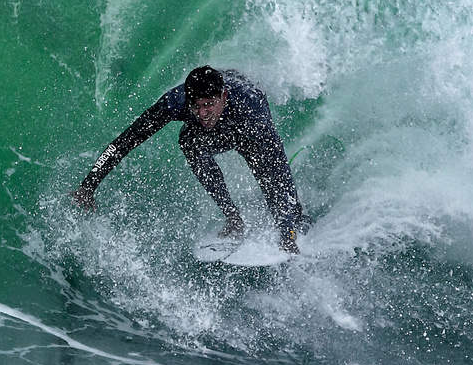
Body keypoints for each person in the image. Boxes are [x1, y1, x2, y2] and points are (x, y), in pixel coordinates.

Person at [71, 66, 308, 253]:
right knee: (189, 141)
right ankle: (233, 218)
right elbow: (126, 140)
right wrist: (89, 184)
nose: (202, 113)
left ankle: (292, 229)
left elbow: (280, 173)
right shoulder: (175, 103)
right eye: (196, 106)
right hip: (213, 134)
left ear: (223, 96)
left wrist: (287, 232)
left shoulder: (252, 108)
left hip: (247, 130)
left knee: (272, 184)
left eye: (208, 105)